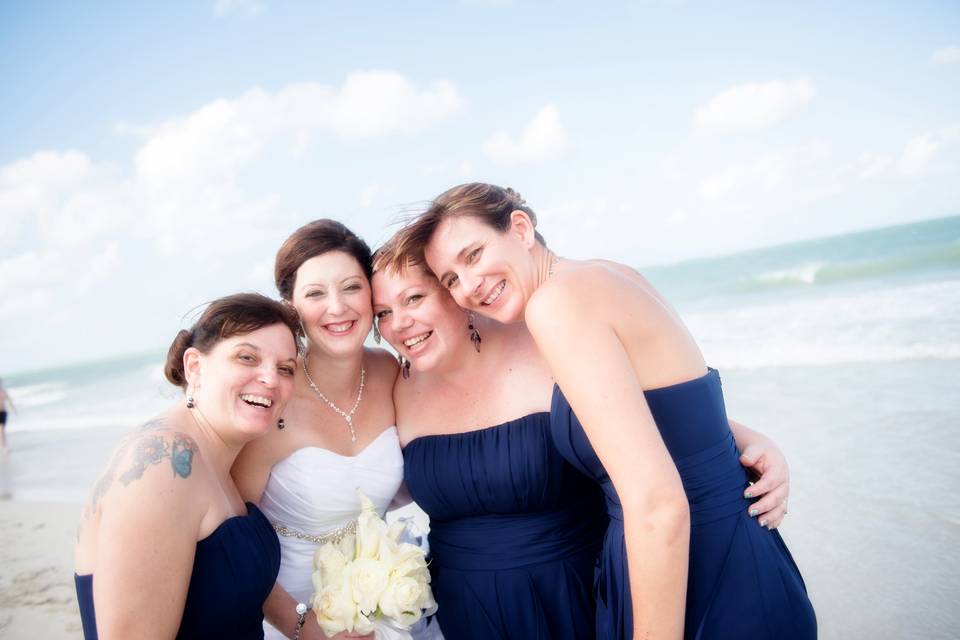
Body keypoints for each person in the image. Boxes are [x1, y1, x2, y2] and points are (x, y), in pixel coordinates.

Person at [372, 234, 801, 640]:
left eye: (414, 298)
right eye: (383, 313)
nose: (399, 323)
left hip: (578, 596)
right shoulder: (396, 385)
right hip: (464, 611)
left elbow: (648, 407)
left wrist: (745, 439)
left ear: (454, 295)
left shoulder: (544, 338)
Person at [231, 220, 438, 640]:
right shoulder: (271, 398)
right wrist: (307, 630)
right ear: (291, 306)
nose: (337, 308)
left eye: (350, 287)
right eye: (315, 294)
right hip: (291, 617)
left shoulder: (392, 373)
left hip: (386, 608)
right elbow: (236, 548)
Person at [74, 293, 301, 639]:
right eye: (247, 357)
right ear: (194, 366)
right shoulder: (161, 461)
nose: (270, 378)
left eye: (285, 368)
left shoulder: (216, 459)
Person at [0, 377, 15, 450]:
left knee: (2, 429)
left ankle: (4, 445)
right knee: (2, 430)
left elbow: (9, 400)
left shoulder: (3, 391)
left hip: (3, 412)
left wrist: (13, 409)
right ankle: (3, 445)